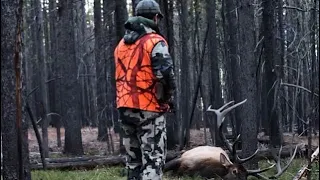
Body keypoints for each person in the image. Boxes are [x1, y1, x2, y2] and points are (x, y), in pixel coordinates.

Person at [113, 0, 176, 180]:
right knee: (153, 159)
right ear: (156, 18)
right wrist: (167, 98)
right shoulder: (155, 41)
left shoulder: (121, 45)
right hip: (149, 109)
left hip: (125, 107)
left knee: (133, 161)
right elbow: (165, 74)